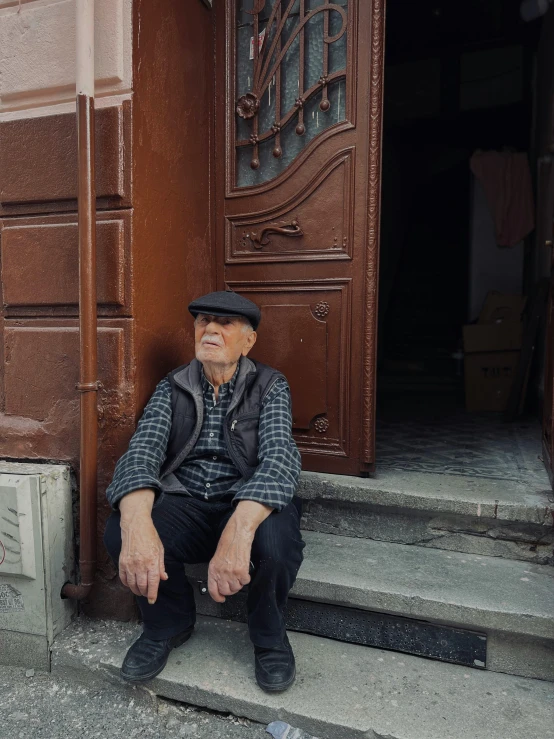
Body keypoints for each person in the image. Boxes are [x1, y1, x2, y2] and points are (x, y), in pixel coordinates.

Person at [103, 290, 304, 692]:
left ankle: (268, 636)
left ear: (248, 340)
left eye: (225, 323)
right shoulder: (173, 385)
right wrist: (137, 520)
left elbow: (280, 460)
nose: (210, 328)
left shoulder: (269, 385)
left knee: (276, 544)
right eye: (202, 321)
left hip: (243, 498)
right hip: (188, 499)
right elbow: (142, 452)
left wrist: (241, 528)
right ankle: (167, 624)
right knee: (118, 531)